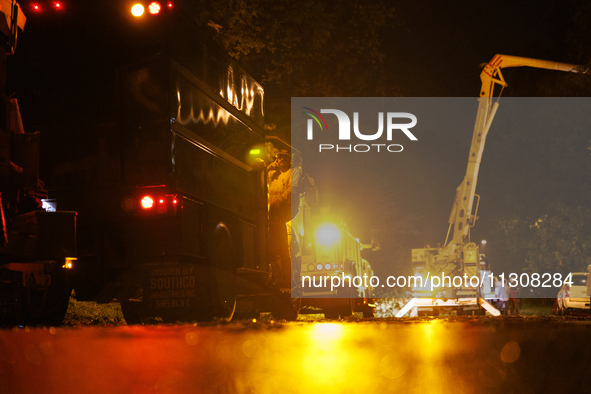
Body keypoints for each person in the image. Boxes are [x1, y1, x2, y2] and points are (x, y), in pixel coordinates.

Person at [267, 150, 292, 289]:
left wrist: (280, 199)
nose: (281, 159)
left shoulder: (291, 173)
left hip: (282, 215)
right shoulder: (272, 173)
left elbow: (291, 190)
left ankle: (285, 278)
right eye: (279, 157)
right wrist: (267, 168)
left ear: (289, 160)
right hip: (270, 213)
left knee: (282, 246)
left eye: (284, 158)